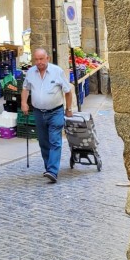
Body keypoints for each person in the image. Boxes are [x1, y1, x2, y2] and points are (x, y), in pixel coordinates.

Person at [20, 47, 75, 184]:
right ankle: (48, 168)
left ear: (47, 58)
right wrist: (23, 103)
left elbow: (68, 91)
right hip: (38, 112)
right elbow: (25, 89)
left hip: (55, 111)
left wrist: (68, 108)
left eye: (41, 59)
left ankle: (52, 170)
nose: (39, 62)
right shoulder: (31, 73)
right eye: (36, 59)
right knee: (43, 142)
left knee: (55, 141)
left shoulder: (57, 71)